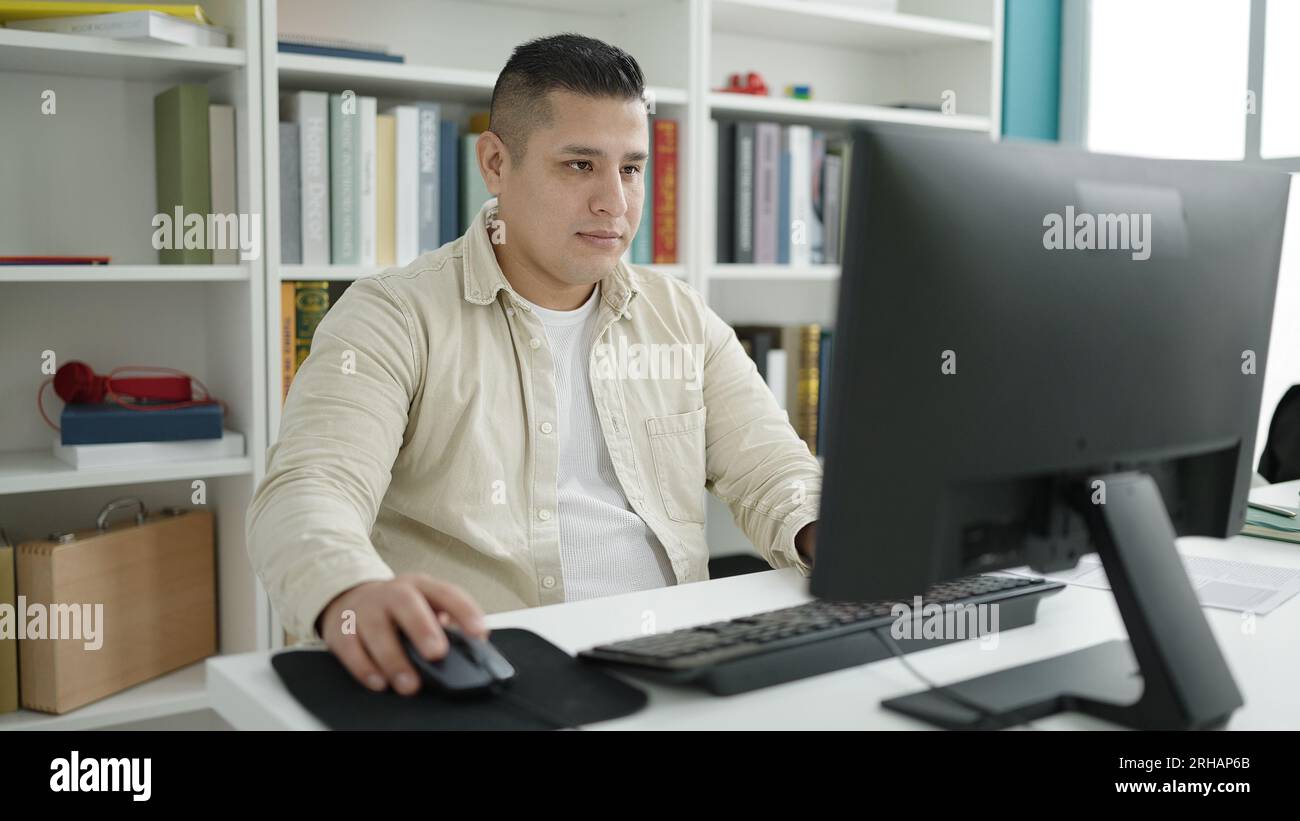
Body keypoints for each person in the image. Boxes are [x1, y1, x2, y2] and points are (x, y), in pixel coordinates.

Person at [246, 33, 822, 697]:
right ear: (495, 162)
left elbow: (772, 468)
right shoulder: (391, 316)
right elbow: (308, 489)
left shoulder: (679, 316)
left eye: (631, 168)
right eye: (580, 165)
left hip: (669, 675)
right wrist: (352, 588)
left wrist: (820, 529)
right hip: (483, 679)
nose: (615, 201)